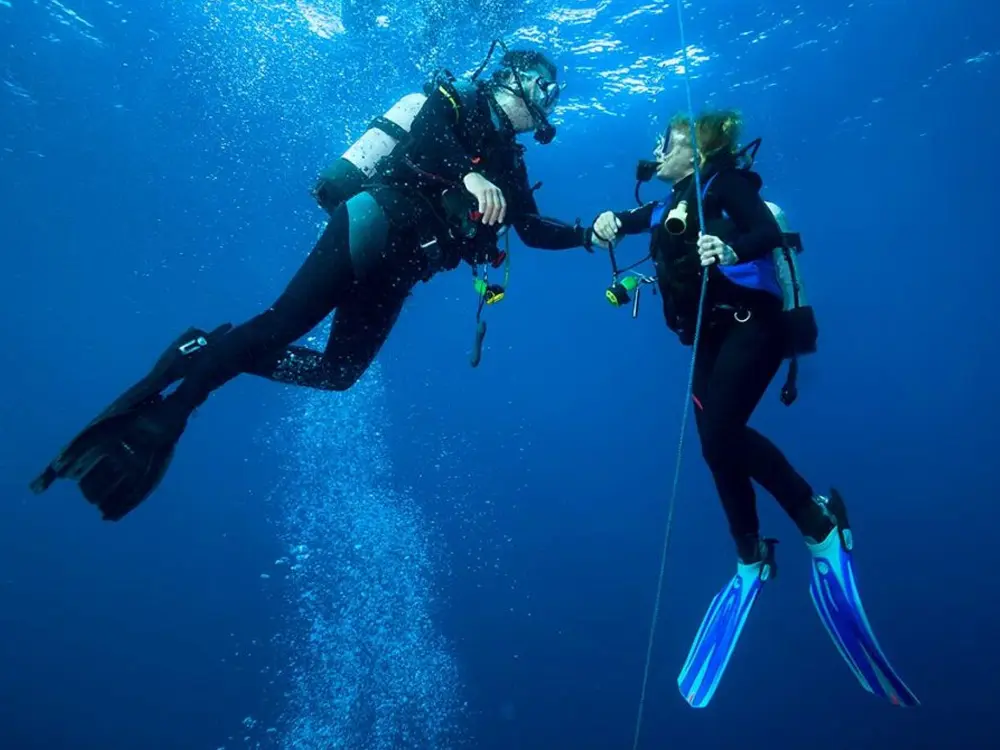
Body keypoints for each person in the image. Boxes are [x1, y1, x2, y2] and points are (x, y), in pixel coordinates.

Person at [31, 42, 597, 522]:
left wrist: (592, 233)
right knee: (281, 324)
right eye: (545, 86)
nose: (552, 99)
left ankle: (200, 352)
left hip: (399, 270)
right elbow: (425, 136)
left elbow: (531, 229)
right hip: (375, 221)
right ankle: (174, 410)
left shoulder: (511, 164)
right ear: (514, 78)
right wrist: (470, 173)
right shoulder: (458, 99)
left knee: (339, 374)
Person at [591, 111, 918, 708]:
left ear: (699, 147)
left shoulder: (728, 185)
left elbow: (766, 233)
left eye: (669, 142)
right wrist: (610, 221)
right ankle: (750, 553)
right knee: (716, 447)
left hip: (753, 327)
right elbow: (639, 220)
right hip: (711, 338)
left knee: (720, 433)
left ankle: (819, 523)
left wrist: (729, 244)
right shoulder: (672, 202)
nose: (658, 149)